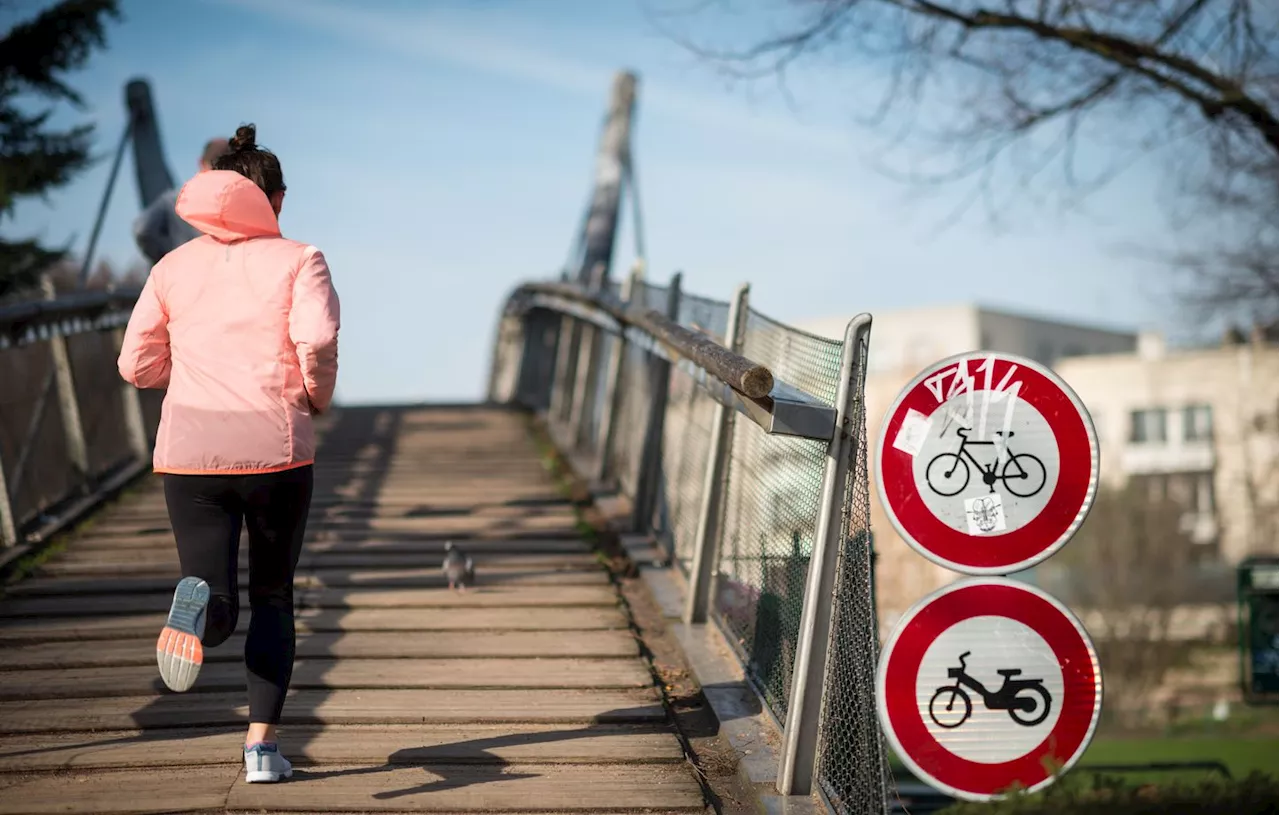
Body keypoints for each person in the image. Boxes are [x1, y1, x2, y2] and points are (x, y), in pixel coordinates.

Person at [117, 123, 340, 784]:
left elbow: (134, 363)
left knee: (214, 593)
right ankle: (262, 752)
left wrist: (179, 375)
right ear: (278, 196)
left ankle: (200, 608)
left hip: (189, 455)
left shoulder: (171, 267)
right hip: (274, 454)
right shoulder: (300, 258)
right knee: (273, 596)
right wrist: (312, 395)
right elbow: (318, 340)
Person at [132, 137, 231, 264]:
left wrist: (168, 256)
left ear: (201, 162)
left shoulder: (173, 199)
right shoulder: (237, 201)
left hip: (185, 273)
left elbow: (142, 229)